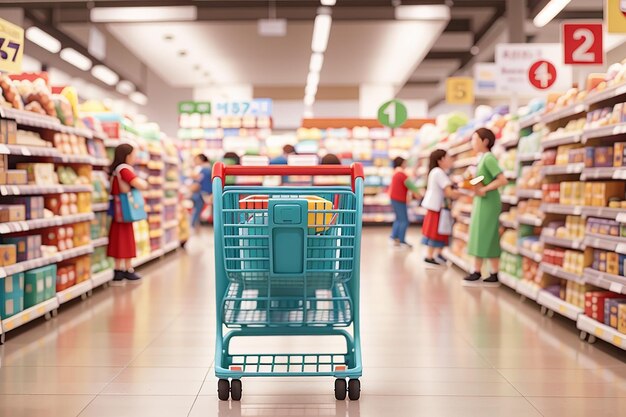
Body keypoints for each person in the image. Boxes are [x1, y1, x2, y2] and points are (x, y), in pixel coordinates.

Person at [465, 128, 509, 284]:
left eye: (475, 139)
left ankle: (478, 271)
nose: (472, 142)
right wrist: (472, 183)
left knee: (485, 234)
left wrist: (484, 188)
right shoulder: (482, 158)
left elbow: (502, 180)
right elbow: (485, 177)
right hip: (482, 201)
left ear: (485, 141)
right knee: (483, 234)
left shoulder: (489, 158)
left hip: (489, 202)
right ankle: (490, 272)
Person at [108, 143, 148, 282]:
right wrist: (144, 182)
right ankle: (127, 269)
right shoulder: (125, 169)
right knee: (126, 238)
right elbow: (140, 184)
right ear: (127, 155)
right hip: (125, 209)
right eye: (133, 154)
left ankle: (119, 269)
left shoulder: (116, 170)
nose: (135, 157)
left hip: (118, 209)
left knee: (118, 238)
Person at [421, 149, 460, 265]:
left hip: (435, 206)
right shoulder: (439, 172)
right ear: (441, 160)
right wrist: (463, 194)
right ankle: (430, 256)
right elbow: (448, 192)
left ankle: (437, 254)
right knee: (436, 231)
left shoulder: (436, 172)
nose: (450, 160)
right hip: (438, 207)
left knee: (438, 231)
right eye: (447, 157)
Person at [388, 156, 420, 248]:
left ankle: (394, 237)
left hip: (395, 198)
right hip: (399, 199)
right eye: (405, 163)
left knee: (398, 219)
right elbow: (411, 185)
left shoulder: (396, 173)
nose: (406, 165)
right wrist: (418, 193)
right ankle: (401, 240)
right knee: (404, 220)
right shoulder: (401, 174)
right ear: (401, 163)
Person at [190, 153, 212, 228]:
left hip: (203, 192)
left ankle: (193, 225)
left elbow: (199, 181)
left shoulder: (204, 169)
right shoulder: (209, 168)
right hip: (207, 192)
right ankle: (194, 225)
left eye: (196, 159)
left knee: (197, 210)